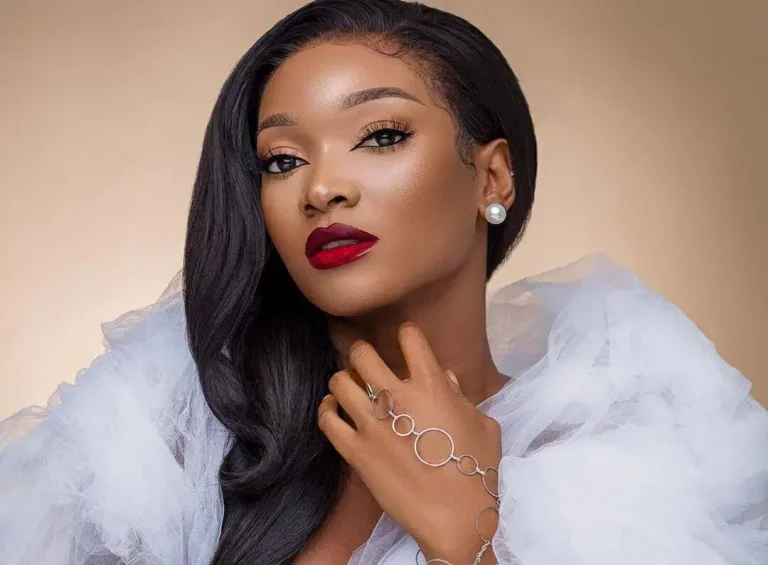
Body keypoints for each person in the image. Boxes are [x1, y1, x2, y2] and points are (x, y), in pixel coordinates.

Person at [1, 0, 767, 563]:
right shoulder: (173, 445)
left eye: (381, 136)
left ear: (493, 176)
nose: (321, 188)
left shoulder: (630, 465)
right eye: (282, 159)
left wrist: (467, 540)